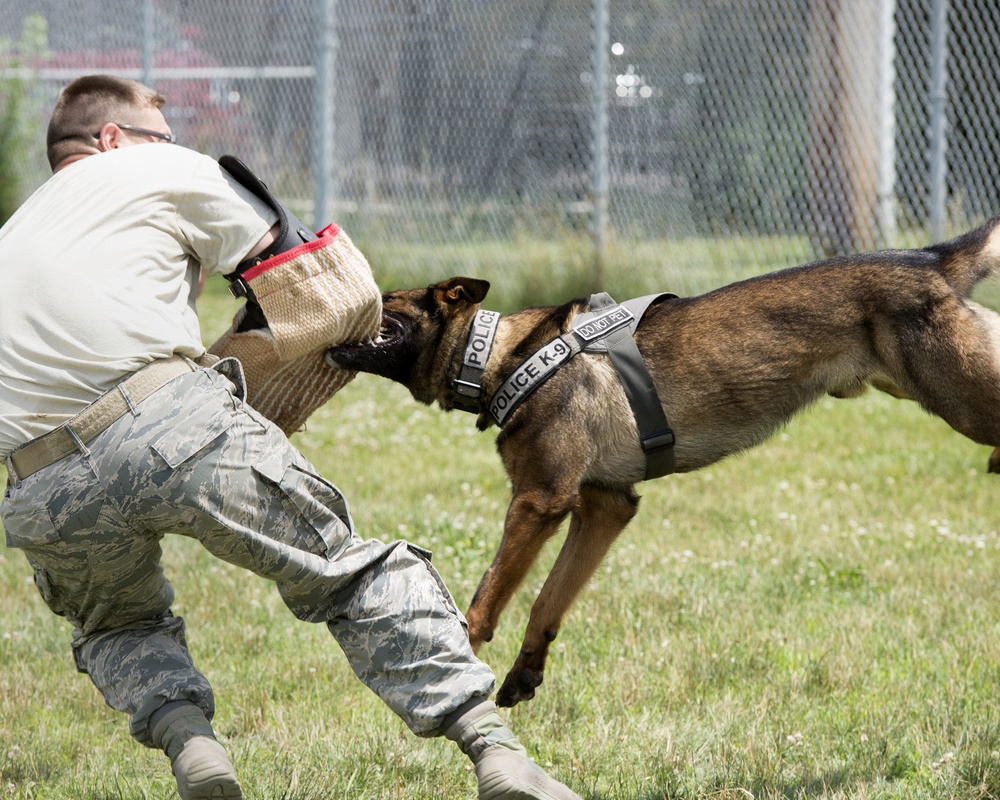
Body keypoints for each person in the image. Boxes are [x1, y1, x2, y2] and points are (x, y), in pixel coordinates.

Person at [0, 75, 582, 800]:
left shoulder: (12, 234)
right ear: (115, 139)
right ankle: (495, 752)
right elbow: (309, 277)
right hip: (168, 425)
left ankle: (195, 750)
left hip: (38, 480)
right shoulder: (158, 166)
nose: (174, 146)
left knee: (117, 624)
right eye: (163, 133)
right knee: (346, 572)